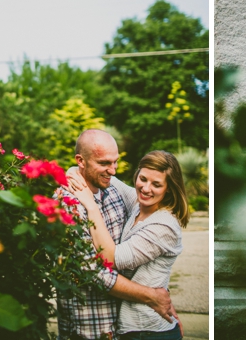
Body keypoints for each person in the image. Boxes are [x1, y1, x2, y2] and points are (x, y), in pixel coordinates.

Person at [56, 130, 176, 340]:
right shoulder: (67, 205)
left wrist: (165, 308)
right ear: (81, 161)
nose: (112, 170)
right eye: (104, 163)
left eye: (115, 162)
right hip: (90, 326)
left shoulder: (113, 191)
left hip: (124, 325)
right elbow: (93, 272)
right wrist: (153, 297)